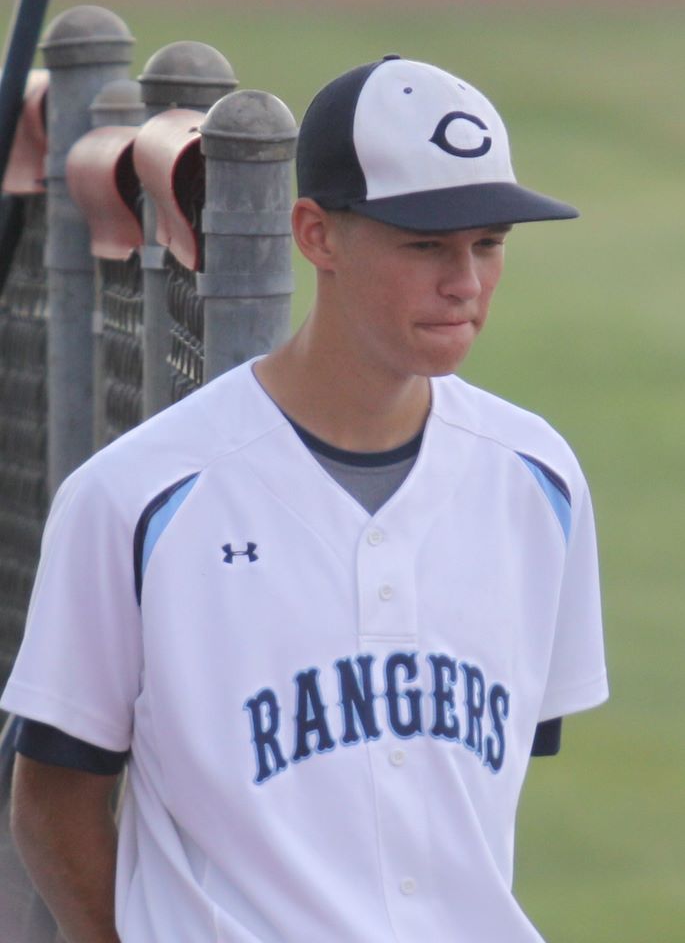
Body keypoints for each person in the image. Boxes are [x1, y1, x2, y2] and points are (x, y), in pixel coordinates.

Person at [1, 55, 608, 943]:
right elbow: (54, 795)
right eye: (425, 245)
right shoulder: (137, 496)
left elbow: (488, 773)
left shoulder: (537, 478)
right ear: (316, 234)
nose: (464, 282)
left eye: (487, 244)